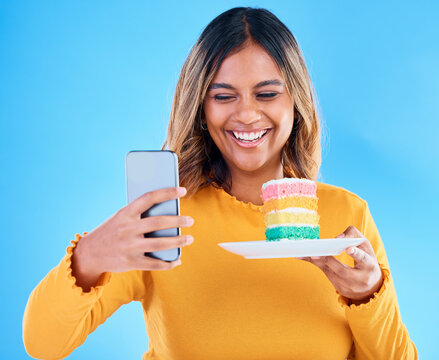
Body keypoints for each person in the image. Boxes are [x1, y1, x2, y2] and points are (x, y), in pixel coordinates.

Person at [23, 7, 418, 360]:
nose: (247, 114)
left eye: (266, 93)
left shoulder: (347, 218)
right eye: (223, 96)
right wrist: (88, 256)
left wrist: (368, 295)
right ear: (200, 107)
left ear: (296, 102)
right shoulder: (165, 220)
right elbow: (43, 345)